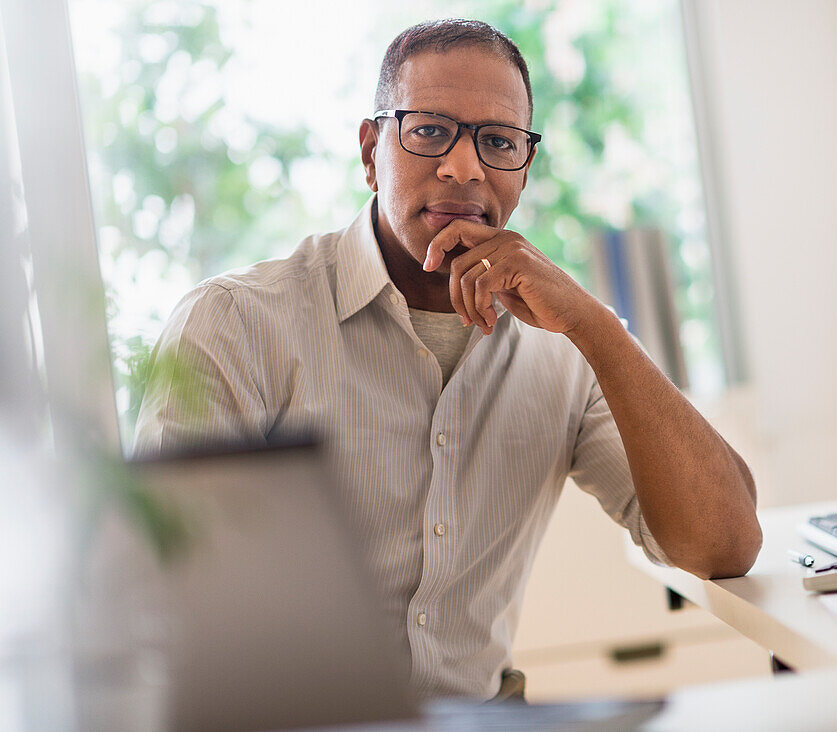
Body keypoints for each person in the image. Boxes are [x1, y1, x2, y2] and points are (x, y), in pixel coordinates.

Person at [135, 18, 761, 700]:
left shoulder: (566, 344)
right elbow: (161, 607)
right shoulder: (233, 328)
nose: (464, 167)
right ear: (372, 152)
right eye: (429, 130)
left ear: (523, 171)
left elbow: (721, 548)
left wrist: (595, 326)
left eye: (498, 143)